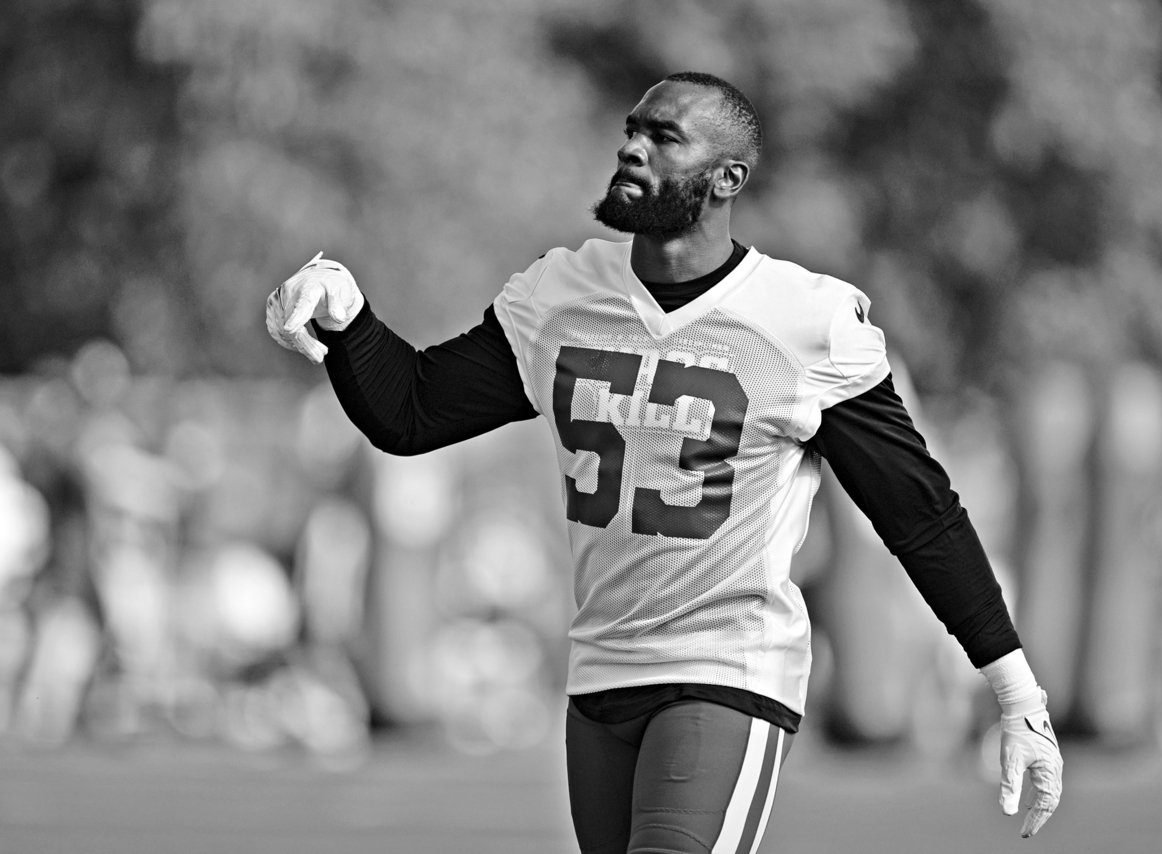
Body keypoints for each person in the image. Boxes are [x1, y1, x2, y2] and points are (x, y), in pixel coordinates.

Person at [266, 71, 1063, 853]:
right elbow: (411, 412)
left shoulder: (803, 323)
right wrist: (347, 315)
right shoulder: (562, 295)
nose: (633, 149)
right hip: (601, 674)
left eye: (664, 137)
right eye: (631, 132)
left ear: (727, 178)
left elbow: (919, 513)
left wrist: (1015, 692)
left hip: (729, 670)